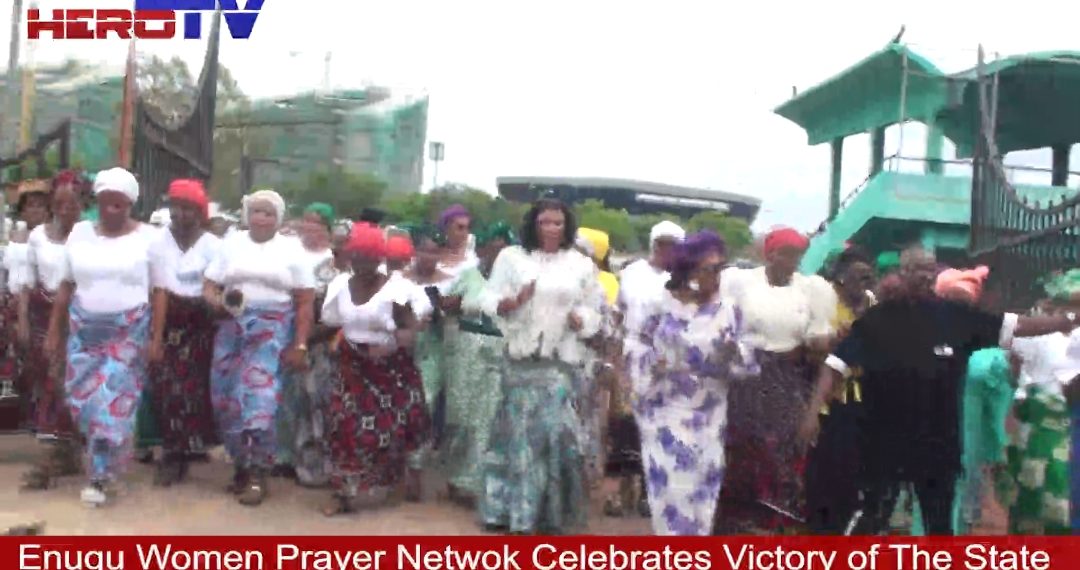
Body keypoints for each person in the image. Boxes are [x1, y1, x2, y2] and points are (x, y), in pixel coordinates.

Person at [801, 248, 1080, 535]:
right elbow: (834, 365)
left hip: (938, 447)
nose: (924, 275)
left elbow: (1016, 325)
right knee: (872, 517)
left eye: (929, 270)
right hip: (883, 443)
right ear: (903, 273)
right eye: (917, 269)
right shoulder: (878, 319)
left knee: (939, 526)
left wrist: (1064, 322)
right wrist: (811, 415)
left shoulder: (956, 317)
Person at [478, 197, 603, 534]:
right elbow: (486, 299)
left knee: (559, 436)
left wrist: (583, 320)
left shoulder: (579, 264)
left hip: (559, 364)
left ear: (567, 227)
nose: (551, 229)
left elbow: (595, 307)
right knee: (519, 440)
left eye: (558, 223)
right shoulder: (512, 258)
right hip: (520, 362)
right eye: (545, 222)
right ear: (533, 224)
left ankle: (550, 515)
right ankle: (517, 517)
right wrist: (510, 302)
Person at [44, 167, 160, 506]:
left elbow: (160, 290)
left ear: (130, 204)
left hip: (128, 331)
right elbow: (66, 285)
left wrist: (155, 337)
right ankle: (106, 458)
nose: (111, 209)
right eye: (105, 202)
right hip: (84, 331)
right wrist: (54, 330)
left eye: (119, 204)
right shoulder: (80, 234)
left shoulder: (148, 238)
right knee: (82, 401)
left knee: (109, 404)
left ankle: (99, 476)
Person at [636, 230, 759, 535]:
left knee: (703, 494)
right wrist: (653, 364)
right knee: (672, 492)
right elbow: (633, 346)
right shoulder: (659, 306)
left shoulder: (730, 311)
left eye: (721, 268)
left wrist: (734, 353)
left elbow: (749, 365)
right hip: (664, 411)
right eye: (709, 269)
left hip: (709, 415)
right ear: (689, 270)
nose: (716, 276)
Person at [718, 226, 837, 533]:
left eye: (798, 255)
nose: (793, 261)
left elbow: (819, 339)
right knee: (741, 450)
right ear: (770, 255)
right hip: (744, 378)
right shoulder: (741, 282)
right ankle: (737, 525)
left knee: (783, 450)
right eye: (786, 254)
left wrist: (824, 342)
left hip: (788, 377)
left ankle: (775, 524)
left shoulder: (811, 289)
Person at [202, 189, 314, 506]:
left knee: (260, 400)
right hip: (231, 328)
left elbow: (305, 301)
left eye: (268, 213)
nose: (261, 218)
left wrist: (301, 344)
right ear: (247, 215)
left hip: (271, 332)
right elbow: (209, 285)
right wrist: (217, 302)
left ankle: (258, 473)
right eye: (256, 211)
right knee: (225, 400)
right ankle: (240, 465)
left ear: (277, 218)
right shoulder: (231, 243)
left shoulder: (292, 250)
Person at [319, 222, 430, 515]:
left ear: (379, 258)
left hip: (390, 370)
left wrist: (394, 343)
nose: (362, 264)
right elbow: (328, 325)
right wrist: (298, 345)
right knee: (343, 425)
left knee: (390, 432)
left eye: (368, 258)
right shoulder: (340, 285)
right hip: (352, 365)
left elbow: (409, 329)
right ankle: (344, 492)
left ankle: (399, 478)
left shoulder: (395, 290)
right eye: (357, 257)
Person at [145, 179, 221, 486]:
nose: (181, 214)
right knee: (167, 390)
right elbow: (156, 287)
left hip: (201, 323)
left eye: (188, 208)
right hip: (166, 320)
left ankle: (190, 447)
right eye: (176, 207)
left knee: (196, 390)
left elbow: (216, 286)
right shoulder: (156, 241)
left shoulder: (214, 245)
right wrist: (155, 335)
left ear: (200, 212)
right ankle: (172, 454)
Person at [608, 220, 685, 517]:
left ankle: (648, 493)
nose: (666, 250)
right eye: (661, 243)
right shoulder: (633, 272)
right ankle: (621, 492)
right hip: (633, 353)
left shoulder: (684, 280)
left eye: (673, 245)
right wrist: (615, 361)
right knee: (626, 425)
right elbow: (618, 314)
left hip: (667, 362)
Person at [17, 175, 84, 489]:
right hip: (42, 317)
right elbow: (27, 281)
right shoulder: (38, 238)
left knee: (71, 384)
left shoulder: (89, 237)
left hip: (79, 319)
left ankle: (66, 451)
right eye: (59, 203)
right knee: (48, 384)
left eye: (72, 203)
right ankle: (56, 454)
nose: (65, 209)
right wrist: (23, 322)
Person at [1001, 271, 1080, 535]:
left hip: (1057, 420)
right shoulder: (1039, 331)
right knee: (1039, 488)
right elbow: (1015, 371)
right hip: (1041, 421)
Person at [441, 221, 515, 504]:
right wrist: (451, 304)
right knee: (461, 418)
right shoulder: (468, 276)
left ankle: (478, 484)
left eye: (503, 250)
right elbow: (446, 305)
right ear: (481, 249)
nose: (496, 255)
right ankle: (454, 476)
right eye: (491, 249)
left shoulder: (516, 283)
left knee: (490, 420)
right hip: (466, 353)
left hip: (499, 354)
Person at [804, 246, 876, 534]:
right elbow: (809, 345)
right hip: (824, 397)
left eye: (869, 277)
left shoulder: (871, 303)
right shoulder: (825, 302)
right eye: (860, 276)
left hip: (860, 399)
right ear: (841, 277)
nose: (866, 283)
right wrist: (836, 340)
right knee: (822, 472)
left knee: (852, 471)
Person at [280, 202, 339, 486]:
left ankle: (315, 466)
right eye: (307, 221)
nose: (310, 228)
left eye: (317, 223)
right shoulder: (290, 252)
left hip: (320, 342)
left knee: (316, 402)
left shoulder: (333, 261)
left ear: (328, 228)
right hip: (287, 333)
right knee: (288, 400)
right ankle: (284, 458)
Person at [400, 224, 457, 500]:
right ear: (414, 250)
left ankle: (416, 471)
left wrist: (441, 314)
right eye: (423, 249)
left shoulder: (450, 282)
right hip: (399, 350)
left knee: (424, 406)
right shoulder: (398, 278)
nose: (428, 256)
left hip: (432, 350)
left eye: (435, 252)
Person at [6, 179, 51, 427]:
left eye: (41, 206)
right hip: (13, 304)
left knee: (42, 361)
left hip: (41, 305)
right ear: (22, 210)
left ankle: (43, 414)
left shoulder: (51, 237)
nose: (35, 211)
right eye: (31, 206)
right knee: (19, 360)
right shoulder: (13, 237)